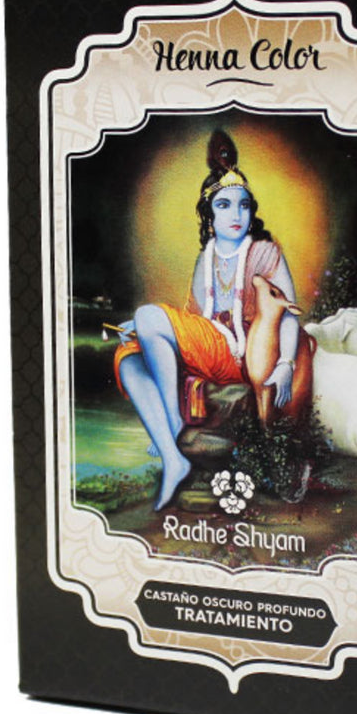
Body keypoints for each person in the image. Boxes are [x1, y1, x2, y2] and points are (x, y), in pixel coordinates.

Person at [114, 130, 301, 511]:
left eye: (244, 205)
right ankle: (174, 457)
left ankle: (172, 423)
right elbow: (193, 319)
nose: (236, 214)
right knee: (129, 356)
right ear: (209, 215)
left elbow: (287, 315)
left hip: (247, 355)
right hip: (210, 348)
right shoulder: (207, 257)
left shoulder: (265, 252)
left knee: (148, 315)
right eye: (224, 205)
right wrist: (145, 330)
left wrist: (285, 363)